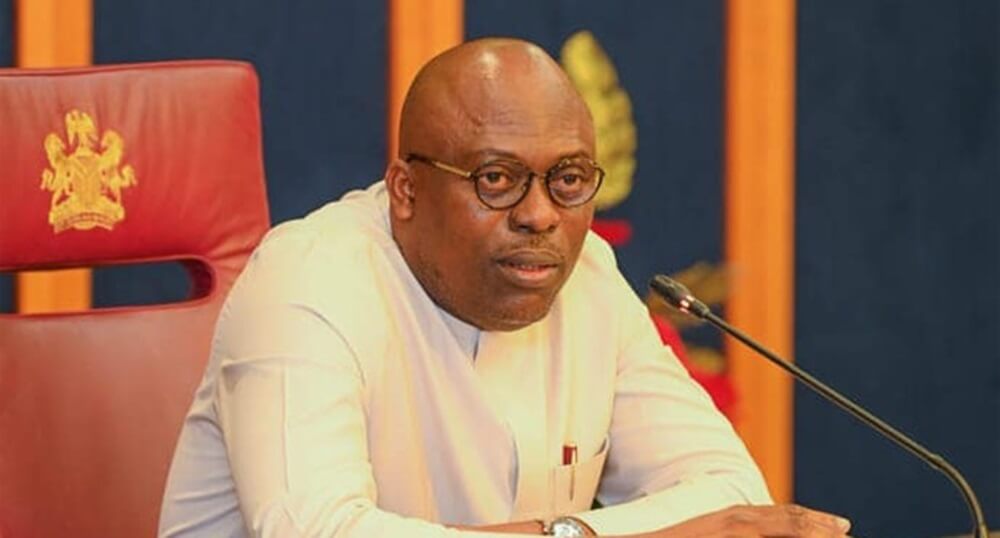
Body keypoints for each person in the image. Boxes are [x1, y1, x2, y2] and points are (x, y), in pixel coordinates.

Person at [158, 38, 851, 537]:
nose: (540, 214)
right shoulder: (307, 282)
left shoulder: (586, 278)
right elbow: (318, 532)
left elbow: (731, 496)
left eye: (569, 179)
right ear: (405, 190)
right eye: (496, 179)